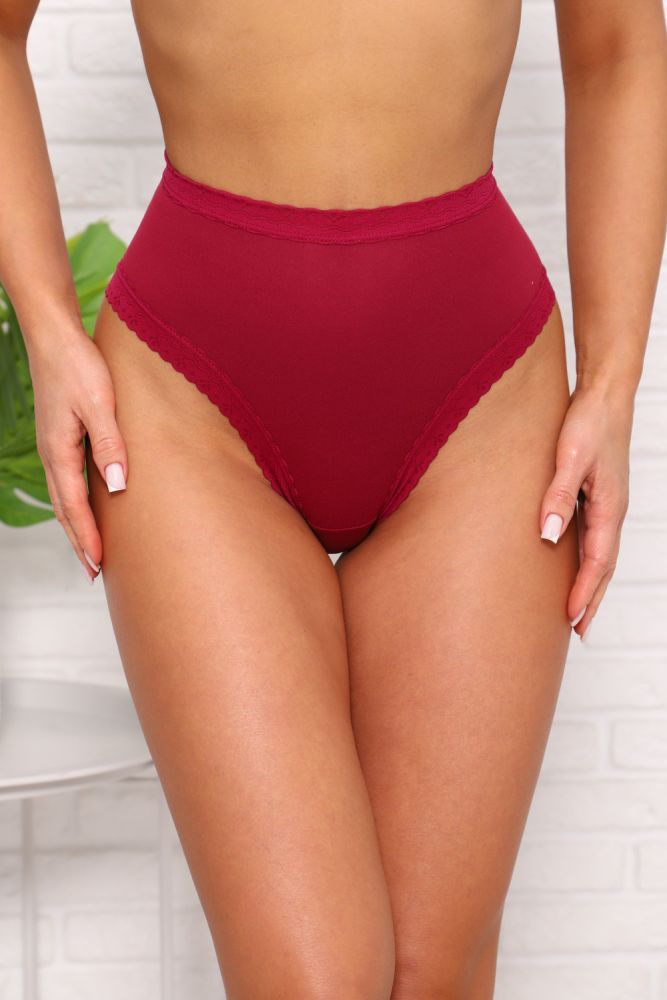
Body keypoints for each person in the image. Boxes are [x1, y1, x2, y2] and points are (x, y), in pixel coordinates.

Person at [2, 1, 666, 996]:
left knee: (433, 972)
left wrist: (612, 384)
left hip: (477, 395)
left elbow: (618, 49)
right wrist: (50, 328)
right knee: (313, 979)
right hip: (190, 397)